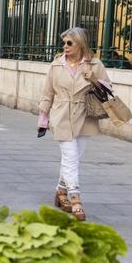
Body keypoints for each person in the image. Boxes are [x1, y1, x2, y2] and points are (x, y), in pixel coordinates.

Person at [38, 27, 111, 222]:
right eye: (64, 43)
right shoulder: (56, 65)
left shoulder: (95, 64)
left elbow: (108, 89)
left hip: (85, 115)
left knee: (74, 158)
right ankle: (75, 198)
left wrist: (92, 78)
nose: (65, 46)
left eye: (69, 43)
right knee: (70, 156)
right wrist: (43, 120)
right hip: (61, 115)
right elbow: (47, 94)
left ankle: (60, 192)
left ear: (81, 44)